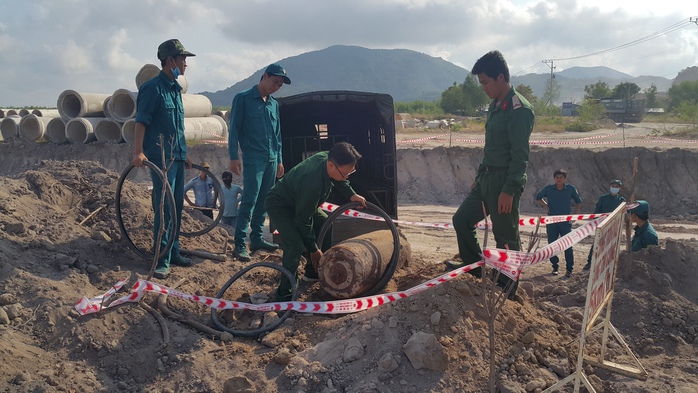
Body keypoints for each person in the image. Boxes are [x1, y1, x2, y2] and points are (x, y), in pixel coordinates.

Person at [445, 50, 534, 300]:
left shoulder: (519, 109)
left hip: (504, 182)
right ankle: (477, 271)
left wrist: (509, 189)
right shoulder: (496, 105)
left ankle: (507, 290)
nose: (483, 88)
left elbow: (520, 155)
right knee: (461, 220)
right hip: (486, 180)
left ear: (501, 77)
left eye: (485, 82)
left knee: (505, 238)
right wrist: (480, 173)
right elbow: (491, 146)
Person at [265, 142, 367, 302]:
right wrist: (313, 249)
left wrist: (351, 194)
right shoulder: (312, 183)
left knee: (326, 223)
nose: (347, 177)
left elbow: (340, 179)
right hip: (281, 205)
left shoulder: (329, 159)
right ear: (332, 166)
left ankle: (313, 272)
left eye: (350, 173)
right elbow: (303, 220)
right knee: (295, 244)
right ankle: (284, 295)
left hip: (300, 202)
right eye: (345, 173)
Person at [132, 39, 196, 279]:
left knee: (177, 206)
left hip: (176, 157)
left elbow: (176, 127)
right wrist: (138, 151)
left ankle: (174, 251)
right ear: (170, 61)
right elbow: (142, 121)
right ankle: (161, 257)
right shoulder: (152, 88)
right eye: (182, 59)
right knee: (164, 207)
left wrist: (184, 153)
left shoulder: (175, 89)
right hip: (160, 159)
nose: (185, 64)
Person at [228, 63, 291, 262]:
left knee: (264, 201)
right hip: (253, 159)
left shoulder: (273, 104)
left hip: (271, 159)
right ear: (264, 76)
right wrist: (233, 157)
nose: (276, 87)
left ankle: (256, 239)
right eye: (275, 82)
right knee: (249, 200)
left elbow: (278, 135)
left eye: (280, 85)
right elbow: (234, 130)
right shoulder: (243, 98)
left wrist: (279, 159)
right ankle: (239, 244)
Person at [535, 169, 583, 277]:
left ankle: (569, 269)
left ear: (564, 179)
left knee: (568, 245)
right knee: (552, 245)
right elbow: (538, 198)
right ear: (554, 178)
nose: (559, 179)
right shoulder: (549, 189)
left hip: (565, 222)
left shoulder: (570, 189)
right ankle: (555, 267)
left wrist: (575, 214)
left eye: (561, 177)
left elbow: (579, 202)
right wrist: (546, 206)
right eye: (557, 177)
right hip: (552, 221)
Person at [584, 179, 625, 270]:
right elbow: (597, 211)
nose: (614, 188)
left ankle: (607, 264)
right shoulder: (603, 198)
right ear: (610, 187)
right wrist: (595, 223)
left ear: (620, 188)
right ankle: (590, 263)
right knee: (597, 244)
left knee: (611, 245)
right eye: (613, 186)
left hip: (614, 226)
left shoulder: (621, 200)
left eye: (617, 187)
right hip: (602, 225)